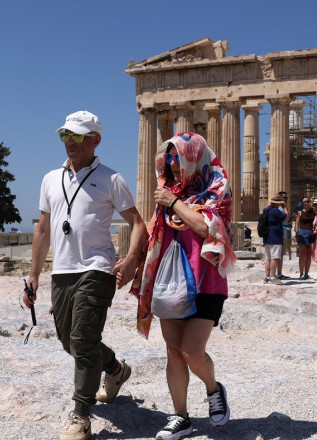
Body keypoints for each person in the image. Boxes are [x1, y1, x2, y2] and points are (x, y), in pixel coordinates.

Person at [22, 110, 148, 440]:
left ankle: (80, 415)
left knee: (82, 339)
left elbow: (138, 223)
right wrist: (34, 275)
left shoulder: (111, 178)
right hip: (62, 272)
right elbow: (43, 230)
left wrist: (132, 259)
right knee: (72, 342)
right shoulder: (50, 179)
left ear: (95, 140)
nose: (70, 142)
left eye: (77, 136)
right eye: (65, 135)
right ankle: (116, 369)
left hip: (97, 268)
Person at [137, 132, 235, 439]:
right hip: (171, 282)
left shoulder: (216, 186)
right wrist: (136, 267)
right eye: (168, 159)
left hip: (207, 280)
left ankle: (213, 389)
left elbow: (206, 228)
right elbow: (156, 234)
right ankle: (180, 416)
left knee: (193, 351)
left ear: (194, 157)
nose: (173, 165)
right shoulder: (168, 190)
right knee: (174, 352)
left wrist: (175, 203)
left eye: (178, 157)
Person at [262, 194, 286, 283]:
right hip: (275, 236)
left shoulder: (266, 209)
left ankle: (267, 277)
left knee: (268, 257)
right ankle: (273, 277)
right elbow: (285, 217)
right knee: (275, 257)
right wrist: (285, 208)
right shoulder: (275, 211)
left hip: (267, 236)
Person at [294, 197, 315, 279]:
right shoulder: (300, 213)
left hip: (311, 234)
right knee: (303, 254)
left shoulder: (313, 212)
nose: (306, 203)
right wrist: (296, 234)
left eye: (307, 201)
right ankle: (301, 273)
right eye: (304, 202)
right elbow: (297, 224)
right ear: (302, 203)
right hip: (302, 233)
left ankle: (306, 273)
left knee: (309, 255)